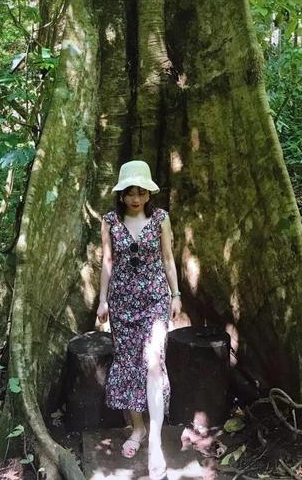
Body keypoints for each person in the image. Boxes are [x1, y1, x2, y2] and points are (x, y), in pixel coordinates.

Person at [97, 159, 182, 480]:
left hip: (155, 299)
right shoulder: (110, 221)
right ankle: (138, 429)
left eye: (141, 192)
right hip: (121, 301)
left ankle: (156, 441)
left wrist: (176, 295)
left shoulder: (161, 219)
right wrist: (102, 300)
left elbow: (168, 258)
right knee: (128, 362)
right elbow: (106, 261)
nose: (135, 198)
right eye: (130, 192)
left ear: (149, 195)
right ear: (121, 194)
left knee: (153, 362)